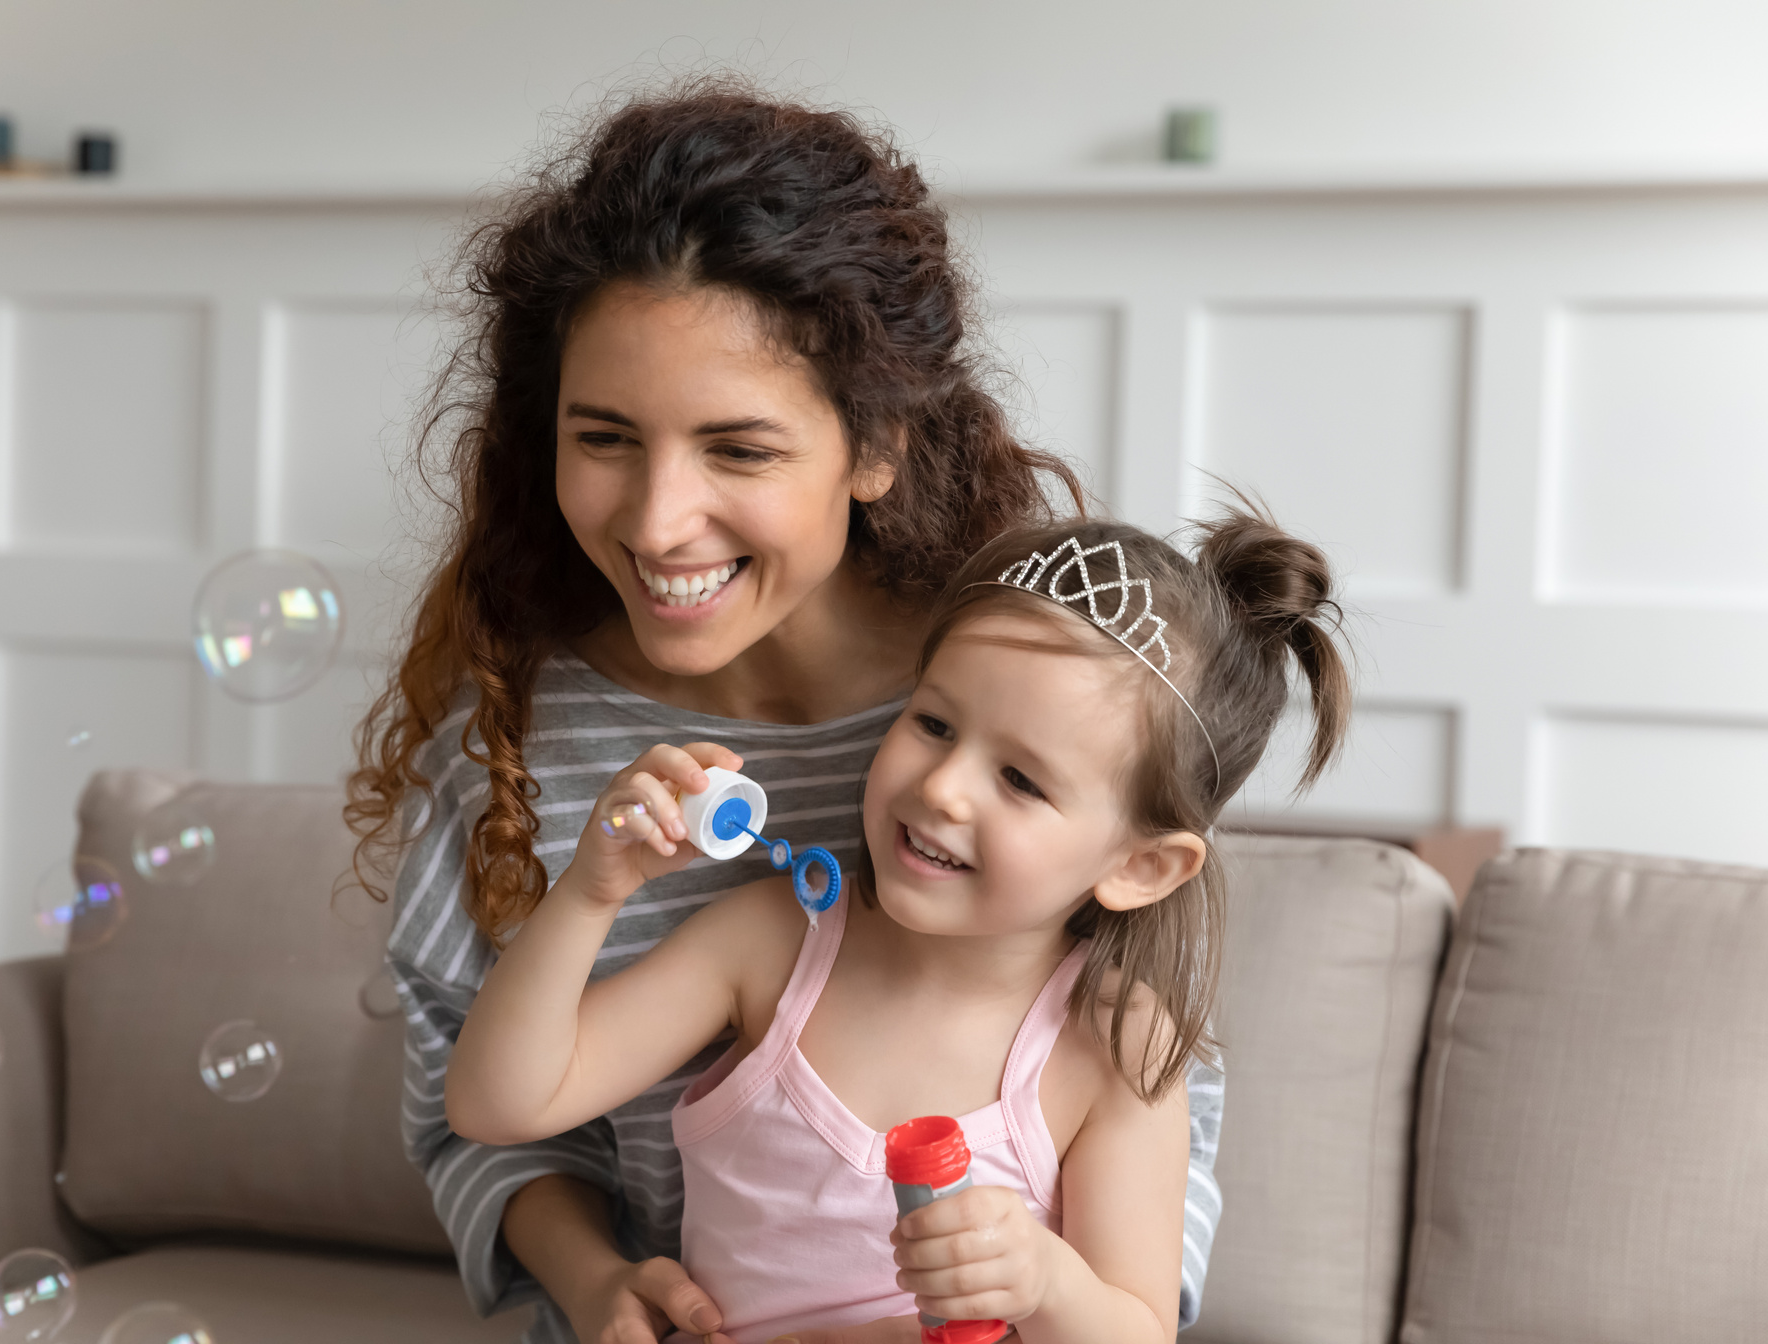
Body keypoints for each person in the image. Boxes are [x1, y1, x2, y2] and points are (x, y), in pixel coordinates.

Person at [349, 84, 1228, 1344]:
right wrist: (595, 1279)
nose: (657, 523)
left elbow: (1151, 1122)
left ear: (875, 449)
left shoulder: (1033, 709)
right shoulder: (512, 756)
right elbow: (465, 1106)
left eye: (740, 450)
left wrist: (1044, 1289)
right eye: (604, 436)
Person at [443, 515, 1350, 1344]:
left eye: (1022, 781)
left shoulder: (1113, 1043)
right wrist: (592, 895)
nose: (943, 787)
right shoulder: (772, 942)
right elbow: (499, 1103)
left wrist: (1045, 1283)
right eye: (934, 722)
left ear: (1138, 867)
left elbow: (1136, 1329)